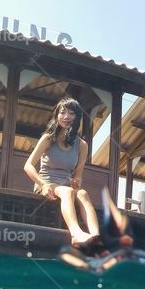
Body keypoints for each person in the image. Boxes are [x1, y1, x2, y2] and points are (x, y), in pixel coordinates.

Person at [24, 98, 101, 247]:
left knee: (83, 193)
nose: (66, 116)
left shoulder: (82, 145)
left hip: (66, 183)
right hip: (46, 182)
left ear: (77, 117)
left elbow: (78, 174)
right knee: (67, 192)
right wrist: (43, 184)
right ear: (57, 115)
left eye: (71, 113)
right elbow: (28, 165)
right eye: (62, 112)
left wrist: (77, 180)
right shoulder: (48, 138)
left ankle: (96, 236)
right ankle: (76, 234)